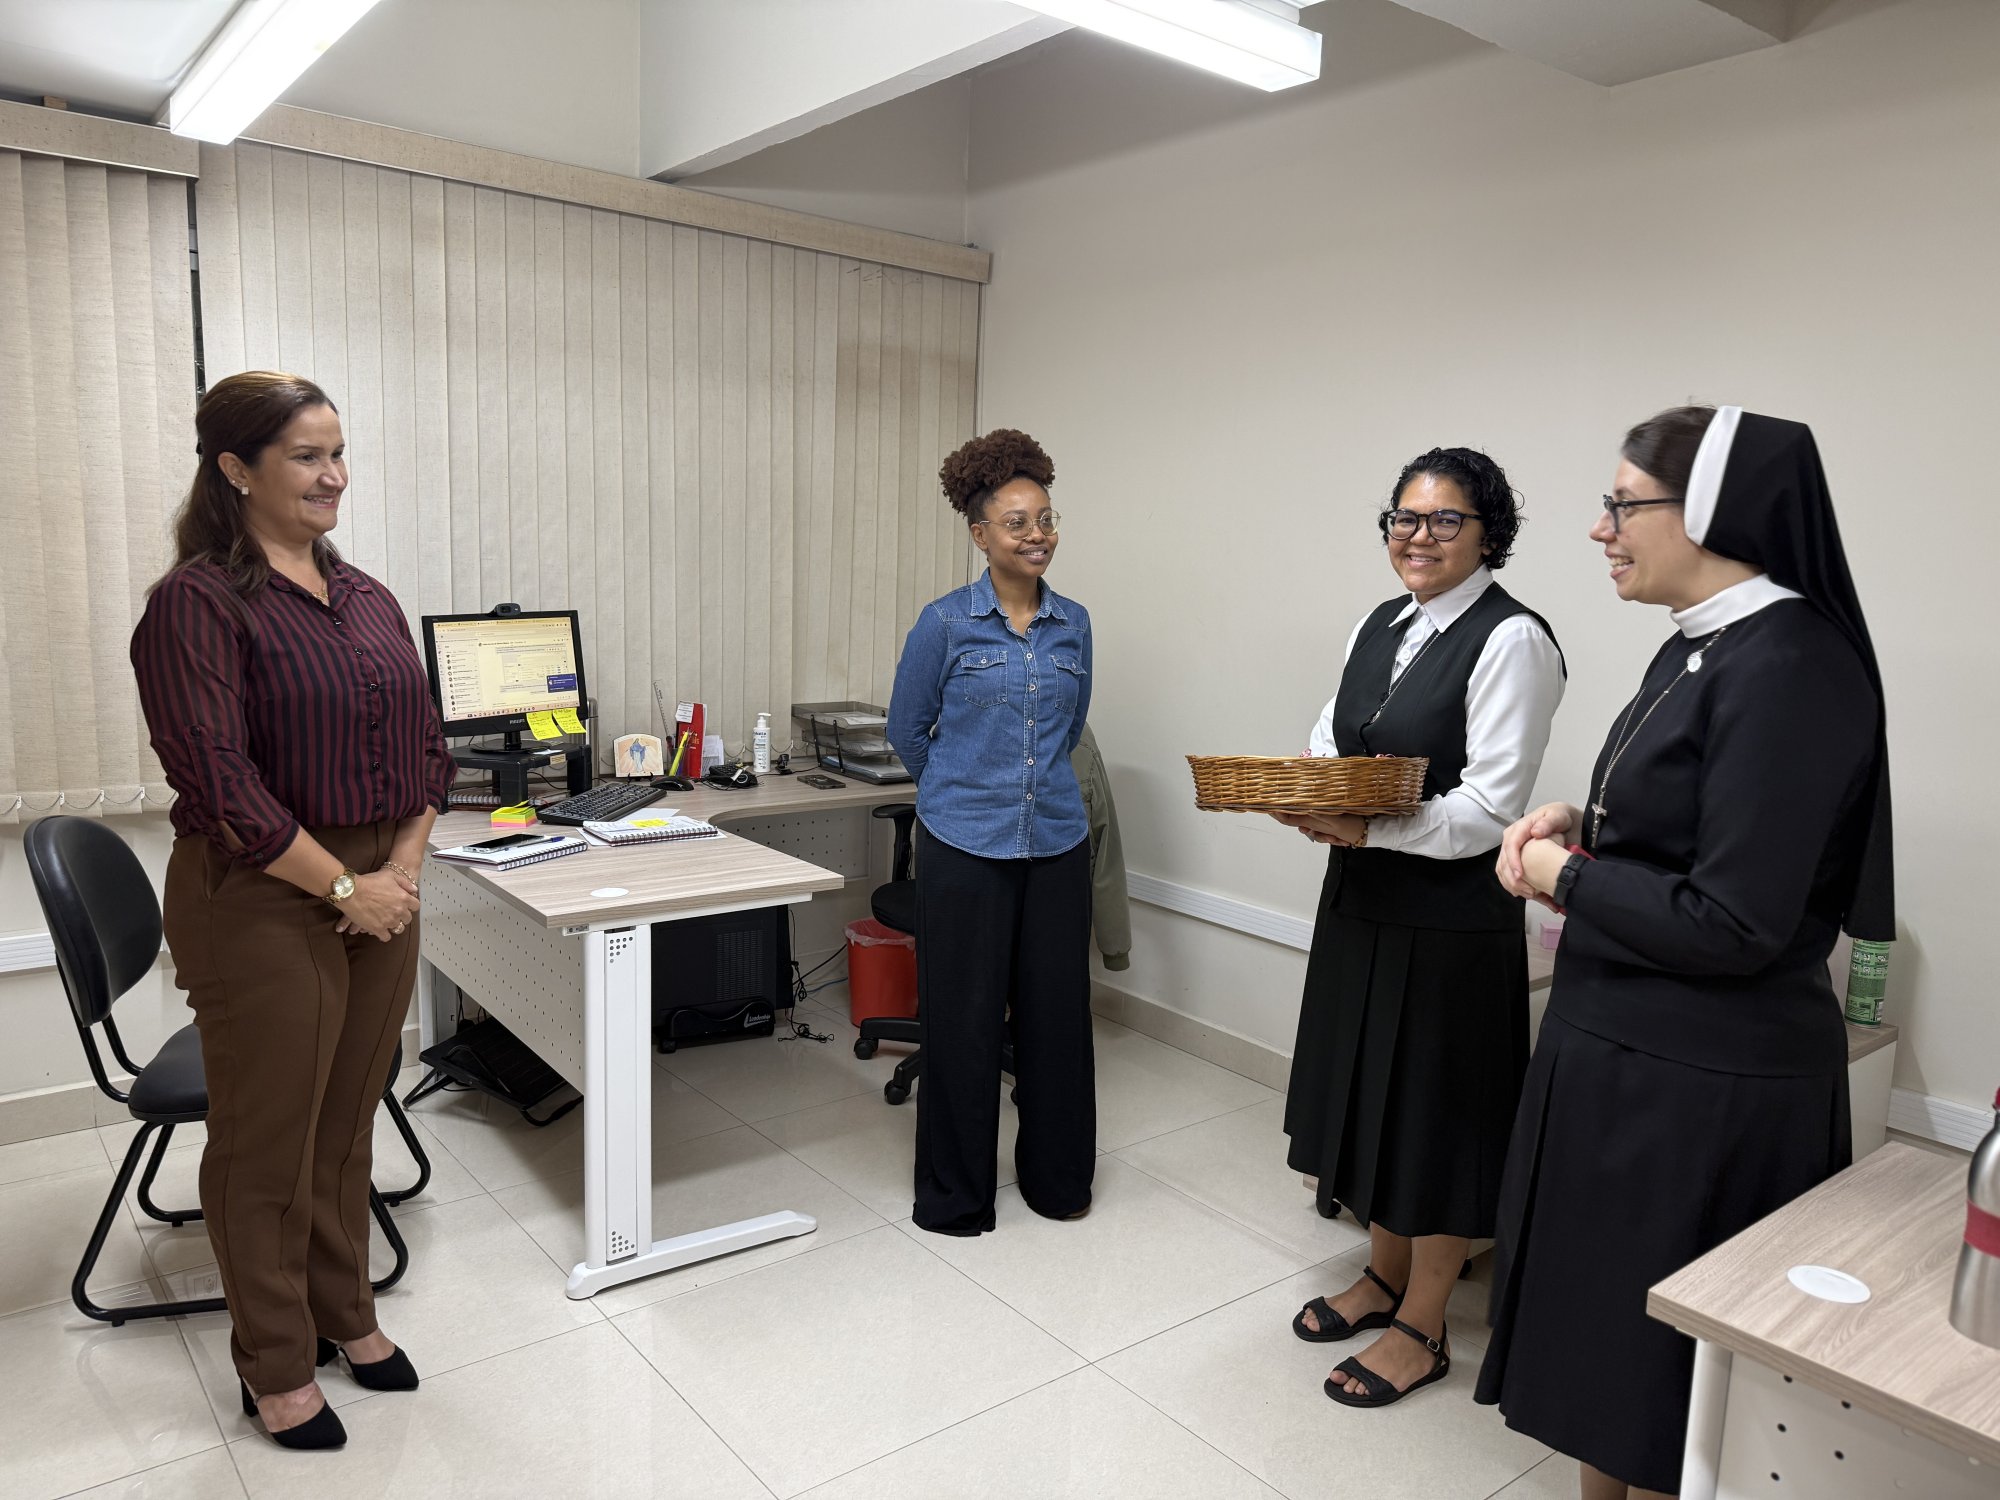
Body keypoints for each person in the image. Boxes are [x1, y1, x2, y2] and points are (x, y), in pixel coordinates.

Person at [1477, 406, 1893, 1500]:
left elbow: (1734, 920)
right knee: (1603, 1364)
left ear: (1710, 510)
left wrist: (1564, 874)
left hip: (1700, 1091)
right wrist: (1581, 823)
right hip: (1629, 1058)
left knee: (1658, 1390)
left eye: (1622, 505)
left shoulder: (1791, 665)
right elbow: (1690, 826)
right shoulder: (1704, 644)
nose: (1599, 529)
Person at [130, 371, 454, 1450]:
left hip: (379, 882)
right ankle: (273, 1365)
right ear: (236, 469)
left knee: (347, 1121)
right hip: (260, 893)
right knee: (268, 1139)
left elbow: (426, 748)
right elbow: (222, 784)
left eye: (338, 452)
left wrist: (398, 869)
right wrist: (347, 888)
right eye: (307, 457)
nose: (334, 476)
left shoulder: (364, 596)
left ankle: (344, 1314)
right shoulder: (196, 604)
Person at [1276, 448, 1565, 1408]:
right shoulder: (1381, 622)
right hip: (1362, 900)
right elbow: (1330, 736)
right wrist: (1315, 791)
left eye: (1446, 520)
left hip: (1449, 923)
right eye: (1404, 518)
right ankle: (1382, 1274)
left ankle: (1426, 1323)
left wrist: (1369, 825)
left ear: (1490, 533)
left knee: (1438, 1120)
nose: (1419, 537)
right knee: (1373, 1099)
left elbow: (1490, 807)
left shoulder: (1512, 638)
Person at [887, 428, 1095, 1235]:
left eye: (1045, 519)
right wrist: (961, 788)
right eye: (1016, 523)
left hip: (1057, 845)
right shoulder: (945, 624)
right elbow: (909, 731)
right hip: (964, 845)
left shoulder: (1074, 624)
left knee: (1056, 1023)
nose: (1036, 534)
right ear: (981, 535)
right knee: (963, 1024)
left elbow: (1068, 730)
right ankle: (957, 1196)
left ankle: (1057, 1182)